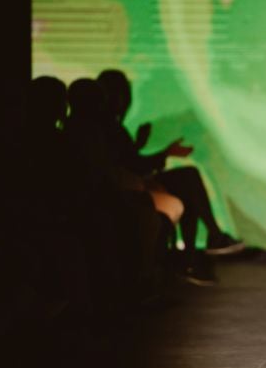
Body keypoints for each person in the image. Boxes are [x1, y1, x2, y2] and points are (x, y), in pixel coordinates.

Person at [96, 69, 245, 285]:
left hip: (130, 185)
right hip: (126, 190)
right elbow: (132, 165)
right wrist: (166, 152)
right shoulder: (107, 127)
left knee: (188, 183)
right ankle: (201, 246)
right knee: (188, 181)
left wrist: (140, 145)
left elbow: (126, 161)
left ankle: (195, 253)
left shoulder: (109, 127)